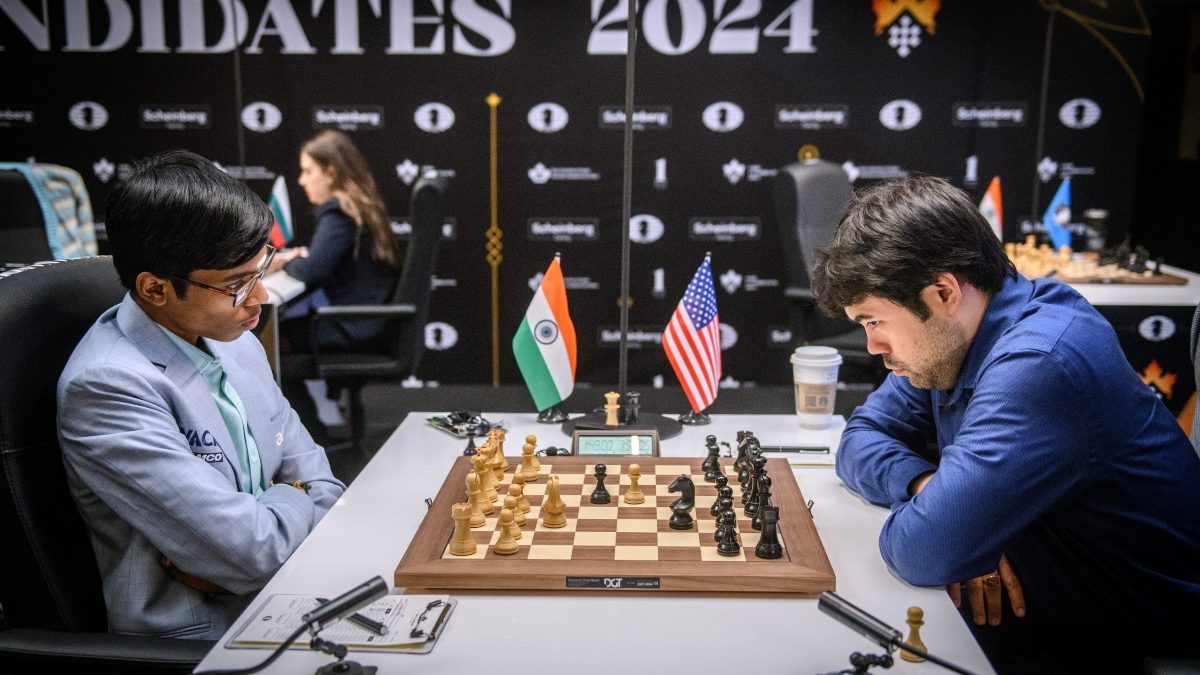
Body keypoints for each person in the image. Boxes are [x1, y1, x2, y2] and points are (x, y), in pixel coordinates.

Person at [812, 176, 1200, 673]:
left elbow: (926, 549)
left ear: (942, 292)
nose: (872, 347)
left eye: (873, 321)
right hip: (1062, 604)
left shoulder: (1037, 363)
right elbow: (859, 439)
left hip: (1135, 635)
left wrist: (959, 524)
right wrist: (928, 484)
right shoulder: (946, 343)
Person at [57, 150, 346, 640]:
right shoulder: (108, 386)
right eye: (237, 285)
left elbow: (326, 489)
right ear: (154, 289)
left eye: (262, 271)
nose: (259, 299)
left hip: (287, 592)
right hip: (204, 635)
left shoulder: (237, 343)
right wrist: (287, 503)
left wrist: (270, 515)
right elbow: (253, 553)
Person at [270, 130, 402, 438]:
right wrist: (305, 258)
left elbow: (312, 271)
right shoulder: (359, 204)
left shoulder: (340, 208)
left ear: (331, 172)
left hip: (353, 325)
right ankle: (315, 434)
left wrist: (288, 260)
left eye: (307, 171)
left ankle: (313, 438)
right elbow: (323, 263)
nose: (302, 181)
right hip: (370, 323)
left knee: (267, 349)